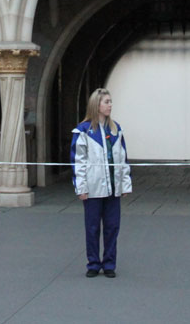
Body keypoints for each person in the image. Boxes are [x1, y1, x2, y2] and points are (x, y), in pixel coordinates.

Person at [71, 87, 132, 278]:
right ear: (97, 105)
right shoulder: (83, 131)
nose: (110, 105)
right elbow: (78, 162)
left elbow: (122, 158)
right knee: (92, 227)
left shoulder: (116, 130)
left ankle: (109, 263)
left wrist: (125, 184)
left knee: (113, 226)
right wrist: (81, 188)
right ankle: (93, 263)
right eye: (107, 102)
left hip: (113, 188)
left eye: (110, 101)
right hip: (93, 188)